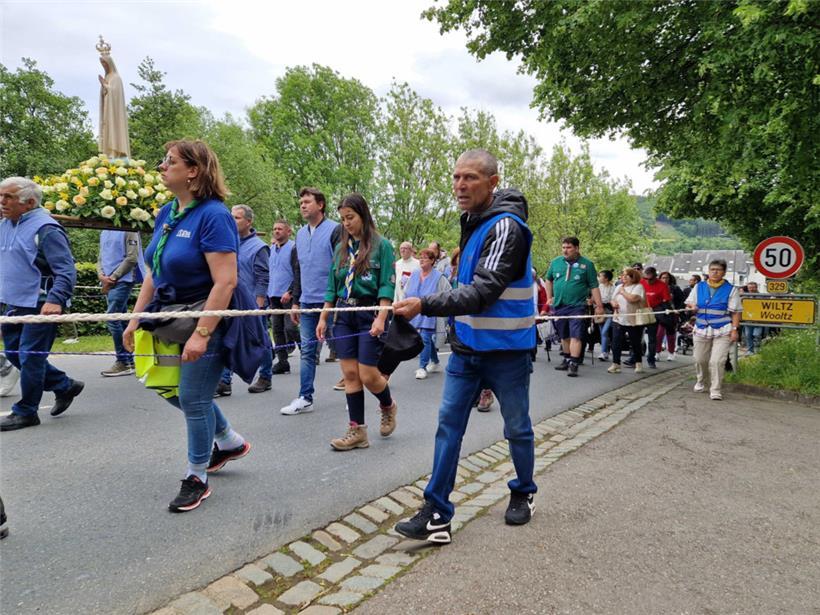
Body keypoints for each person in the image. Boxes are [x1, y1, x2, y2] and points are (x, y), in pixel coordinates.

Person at [393, 148, 537, 544]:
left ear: (492, 182)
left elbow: (484, 291)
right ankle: (437, 511)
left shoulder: (506, 227)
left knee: (517, 428)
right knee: (448, 428)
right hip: (467, 349)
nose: (459, 185)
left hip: (507, 349)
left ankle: (523, 491)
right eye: (456, 177)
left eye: (470, 178)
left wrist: (425, 304)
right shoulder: (473, 223)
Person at [122, 140, 251, 512]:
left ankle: (197, 476)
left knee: (194, 398)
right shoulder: (167, 212)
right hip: (170, 317)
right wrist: (134, 319)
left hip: (206, 317)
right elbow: (153, 272)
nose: (162, 167)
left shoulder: (215, 215)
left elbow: (225, 282)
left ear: (193, 171)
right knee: (169, 388)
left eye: (171, 161)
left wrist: (202, 332)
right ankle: (228, 439)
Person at [0, 177, 83, 432]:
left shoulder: (47, 229)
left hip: (41, 303)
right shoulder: (4, 224)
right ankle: (64, 385)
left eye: (8, 197)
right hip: (11, 303)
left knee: (30, 358)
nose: (2, 202)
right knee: (15, 355)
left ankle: (26, 411)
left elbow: (66, 270)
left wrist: (56, 300)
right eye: (1, 196)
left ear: (29, 203)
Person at [317, 193, 397, 451]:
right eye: (342, 219)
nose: (346, 223)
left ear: (363, 215)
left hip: (370, 313)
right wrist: (323, 317)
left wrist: (381, 318)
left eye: (350, 217)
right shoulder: (341, 249)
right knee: (350, 374)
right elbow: (332, 286)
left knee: (369, 375)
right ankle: (357, 431)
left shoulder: (382, 246)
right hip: (344, 314)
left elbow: (386, 285)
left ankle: (388, 405)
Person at [281, 188, 341, 415]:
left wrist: (336, 302)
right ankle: (305, 397)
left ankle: (355, 394)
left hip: (331, 302)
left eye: (307, 202)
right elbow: (299, 269)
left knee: (344, 349)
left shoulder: (336, 230)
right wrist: (296, 301)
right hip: (306, 302)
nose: (303, 206)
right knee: (307, 351)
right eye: (301, 202)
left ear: (321, 205)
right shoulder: (300, 233)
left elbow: (340, 268)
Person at [214, 205, 272, 396]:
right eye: (231, 217)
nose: (232, 220)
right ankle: (224, 381)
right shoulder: (227, 242)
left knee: (260, 339)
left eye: (237, 218)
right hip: (230, 300)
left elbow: (263, 276)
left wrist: (259, 302)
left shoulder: (259, 247)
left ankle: (265, 376)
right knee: (227, 338)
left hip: (252, 303)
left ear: (248, 222)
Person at [544, 237, 604, 377]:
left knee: (575, 335)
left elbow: (594, 286)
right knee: (564, 335)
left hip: (578, 306)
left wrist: (599, 305)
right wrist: (549, 297)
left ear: (577, 248)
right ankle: (566, 358)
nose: (565, 250)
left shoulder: (587, 265)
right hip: (559, 305)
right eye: (564, 247)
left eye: (569, 247)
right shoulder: (555, 262)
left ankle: (574, 363)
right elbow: (548, 279)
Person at [685, 259, 742, 400]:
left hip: (723, 329)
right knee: (700, 359)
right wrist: (691, 308)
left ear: (723, 272)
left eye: (718, 270)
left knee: (717, 361)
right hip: (701, 328)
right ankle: (701, 380)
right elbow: (689, 305)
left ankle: (715, 389)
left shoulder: (731, 289)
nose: (715, 272)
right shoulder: (699, 287)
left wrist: (735, 329)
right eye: (712, 269)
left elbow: (736, 312)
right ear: (708, 271)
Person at [97, 230, 143, 376]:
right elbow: (100, 257)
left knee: (113, 319)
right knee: (121, 319)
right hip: (109, 281)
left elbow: (132, 257)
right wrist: (101, 275)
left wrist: (113, 277)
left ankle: (123, 361)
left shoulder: (128, 230)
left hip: (123, 280)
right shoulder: (104, 231)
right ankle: (129, 360)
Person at [405, 248, 451, 379]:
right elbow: (407, 290)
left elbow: (448, 292)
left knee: (424, 338)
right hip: (415, 311)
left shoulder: (439, 276)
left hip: (430, 312)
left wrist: (440, 307)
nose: (421, 260)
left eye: (425, 257)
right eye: (421, 257)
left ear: (432, 261)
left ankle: (422, 367)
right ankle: (435, 361)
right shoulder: (414, 274)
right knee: (426, 339)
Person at [267, 219, 299, 374]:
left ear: (288, 231)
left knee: (290, 327)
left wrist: (291, 291)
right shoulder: (271, 249)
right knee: (277, 329)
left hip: (288, 295)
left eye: (280, 228)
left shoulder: (294, 248)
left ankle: (307, 351)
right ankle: (282, 361)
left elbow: (298, 273)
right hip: (273, 295)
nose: (276, 231)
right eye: (275, 228)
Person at [607, 268, 646, 374]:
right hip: (618, 318)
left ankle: (638, 363)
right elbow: (612, 298)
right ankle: (616, 364)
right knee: (616, 342)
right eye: (622, 275)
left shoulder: (638, 287)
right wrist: (613, 303)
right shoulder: (619, 286)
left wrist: (623, 292)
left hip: (633, 319)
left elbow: (633, 299)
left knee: (635, 342)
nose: (623, 277)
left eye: (626, 275)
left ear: (632, 277)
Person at [97, 39, 130, 159]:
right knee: (107, 128)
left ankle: (116, 152)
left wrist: (105, 85)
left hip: (114, 112)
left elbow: (115, 93)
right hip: (107, 110)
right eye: (102, 64)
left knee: (114, 130)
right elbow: (106, 93)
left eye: (105, 63)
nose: (104, 66)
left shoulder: (116, 77)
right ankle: (108, 152)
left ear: (109, 63)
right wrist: (103, 87)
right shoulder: (108, 76)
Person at [640, 266, 672, 368]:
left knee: (652, 338)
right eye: (646, 279)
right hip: (641, 311)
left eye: (650, 279)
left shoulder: (662, 285)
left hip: (654, 312)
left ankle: (651, 359)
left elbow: (666, 300)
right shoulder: (641, 283)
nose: (648, 281)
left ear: (655, 276)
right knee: (636, 336)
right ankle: (634, 358)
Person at [657, 271, 684, 360]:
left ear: (670, 278)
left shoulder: (675, 288)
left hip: (672, 314)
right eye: (663, 277)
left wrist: (678, 310)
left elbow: (682, 300)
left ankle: (671, 352)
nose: (665, 279)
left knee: (671, 335)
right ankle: (657, 352)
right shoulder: (657, 288)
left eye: (666, 277)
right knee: (659, 334)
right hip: (661, 313)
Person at [596, 270, 615, 361]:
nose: (599, 278)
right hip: (600, 311)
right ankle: (605, 351)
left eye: (601, 276)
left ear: (606, 278)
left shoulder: (613, 287)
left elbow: (610, 299)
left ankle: (604, 351)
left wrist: (601, 301)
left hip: (610, 312)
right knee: (602, 333)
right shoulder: (599, 286)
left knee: (604, 331)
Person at [741, 281, 764, 355]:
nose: (751, 289)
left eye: (753, 287)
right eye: (749, 288)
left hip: (758, 320)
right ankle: (750, 350)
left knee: (757, 335)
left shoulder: (762, 297)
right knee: (748, 336)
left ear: (756, 287)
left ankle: (757, 350)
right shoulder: (745, 297)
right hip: (748, 320)